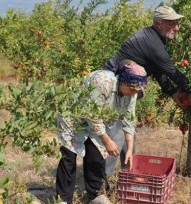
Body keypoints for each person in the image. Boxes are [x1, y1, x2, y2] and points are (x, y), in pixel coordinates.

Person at [103, 5, 191, 176]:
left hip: (126, 88)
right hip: (114, 89)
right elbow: (171, 71)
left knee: (128, 133)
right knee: (116, 136)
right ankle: (99, 186)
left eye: (177, 23)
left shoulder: (155, 38)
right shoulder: (152, 43)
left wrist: (173, 92)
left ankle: (128, 176)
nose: (177, 27)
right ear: (159, 24)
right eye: (172, 23)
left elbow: (158, 70)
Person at [55, 60, 148, 204]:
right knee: (69, 156)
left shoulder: (132, 92)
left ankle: (94, 196)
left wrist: (129, 149)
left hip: (96, 119)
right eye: (132, 89)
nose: (134, 93)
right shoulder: (102, 82)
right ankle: (63, 199)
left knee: (96, 153)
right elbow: (92, 115)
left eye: (137, 90)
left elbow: (129, 119)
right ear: (122, 81)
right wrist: (107, 140)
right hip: (73, 115)